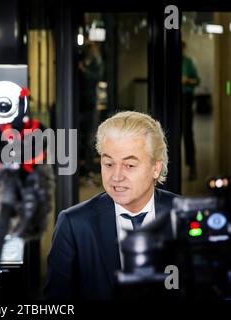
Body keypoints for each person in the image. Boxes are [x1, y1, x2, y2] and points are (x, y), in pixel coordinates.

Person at [44, 111, 178, 300]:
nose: (116, 177)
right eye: (108, 164)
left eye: (129, 165)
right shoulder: (74, 225)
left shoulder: (184, 217)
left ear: (156, 168)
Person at [78, 41, 103, 181]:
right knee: (76, 137)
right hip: (76, 104)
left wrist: (83, 69)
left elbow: (97, 77)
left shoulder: (95, 63)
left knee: (89, 139)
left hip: (90, 104)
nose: (90, 50)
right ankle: (79, 170)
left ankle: (88, 171)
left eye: (92, 48)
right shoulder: (79, 59)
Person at [181, 41, 200, 181]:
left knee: (187, 132)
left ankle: (192, 166)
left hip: (186, 98)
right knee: (171, 134)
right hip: (173, 99)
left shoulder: (188, 62)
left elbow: (197, 80)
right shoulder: (169, 61)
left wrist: (187, 81)